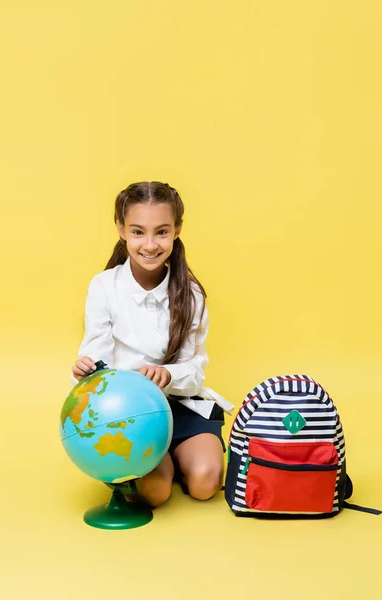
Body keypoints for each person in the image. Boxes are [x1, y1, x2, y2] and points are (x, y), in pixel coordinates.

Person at [71, 181, 234, 507]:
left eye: (161, 232)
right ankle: (158, 466)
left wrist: (169, 375)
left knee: (205, 483)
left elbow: (196, 367)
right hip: (132, 413)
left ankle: (182, 455)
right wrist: (86, 368)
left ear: (177, 230)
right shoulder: (104, 287)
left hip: (182, 405)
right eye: (138, 232)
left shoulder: (191, 293)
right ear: (121, 229)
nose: (150, 244)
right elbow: (96, 353)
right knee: (155, 494)